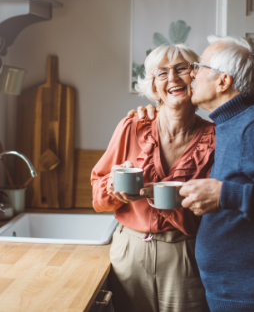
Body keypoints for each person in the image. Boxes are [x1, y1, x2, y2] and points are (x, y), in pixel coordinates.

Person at [134, 36, 254, 311]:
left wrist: (223, 194)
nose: (192, 74)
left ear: (223, 81)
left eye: (199, 67)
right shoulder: (230, 124)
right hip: (238, 293)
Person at [92, 43, 215, 312]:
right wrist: (114, 188)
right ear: (154, 86)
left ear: (195, 76)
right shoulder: (131, 126)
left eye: (181, 69)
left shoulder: (215, 138)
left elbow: (218, 209)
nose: (172, 78)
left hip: (186, 252)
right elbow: (97, 195)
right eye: (162, 73)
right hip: (130, 252)